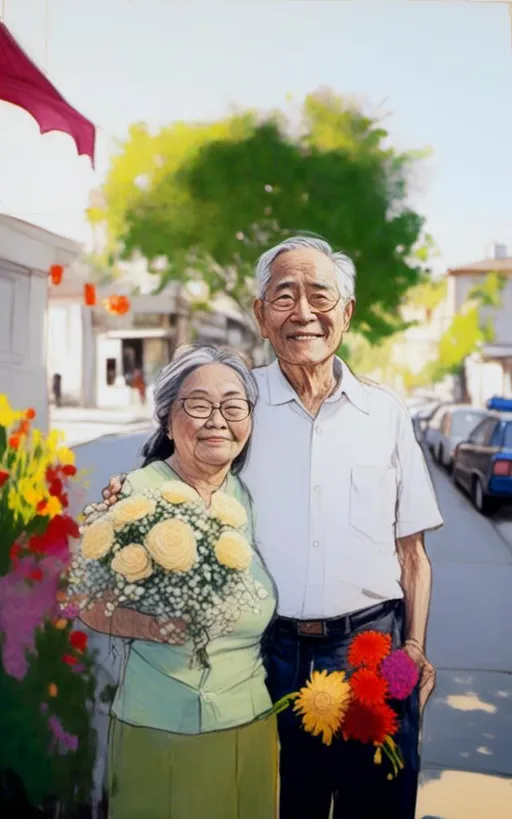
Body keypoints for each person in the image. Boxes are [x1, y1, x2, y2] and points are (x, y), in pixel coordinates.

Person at [89, 236, 443, 819]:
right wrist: (126, 500)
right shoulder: (239, 404)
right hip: (266, 654)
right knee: (277, 804)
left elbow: (414, 555)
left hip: (371, 650)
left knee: (378, 802)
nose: (303, 312)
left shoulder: (386, 414)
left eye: (319, 296)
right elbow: (180, 474)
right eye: (284, 296)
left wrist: (415, 645)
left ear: (346, 313)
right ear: (260, 315)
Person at [79, 345, 278, 819]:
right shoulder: (134, 497)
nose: (217, 419)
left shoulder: (244, 498)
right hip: (158, 727)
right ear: (168, 420)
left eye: (233, 406)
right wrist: (150, 628)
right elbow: (85, 601)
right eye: (198, 404)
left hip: (247, 724)